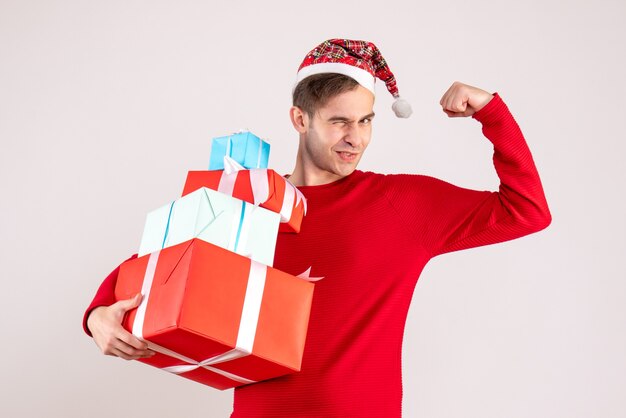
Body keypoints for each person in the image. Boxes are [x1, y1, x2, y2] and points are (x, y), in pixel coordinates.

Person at [83, 39, 551, 417]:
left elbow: (528, 210)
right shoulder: (248, 200)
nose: (357, 138)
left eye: (366, 121)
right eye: (340, 122)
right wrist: (98, 314)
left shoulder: (400, 204)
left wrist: (492, 112)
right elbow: (152, 267)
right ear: (300, 119)